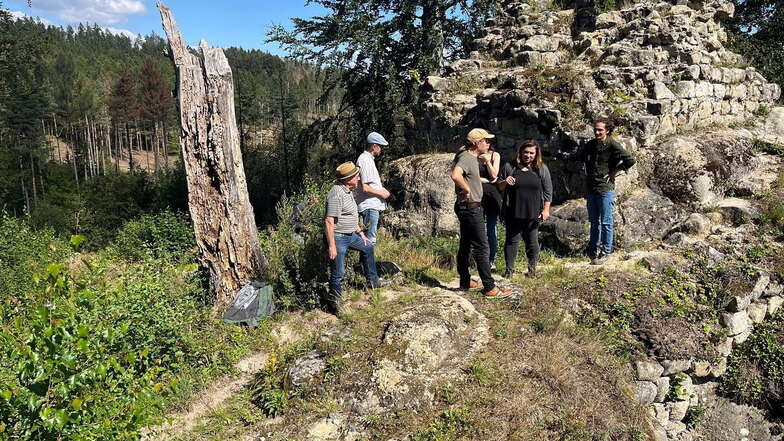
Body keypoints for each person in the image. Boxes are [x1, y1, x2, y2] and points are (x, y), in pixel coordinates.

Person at [451, 128, 512, 299]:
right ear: (477, 143)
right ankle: (490, 287)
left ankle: (465, 280)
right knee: (482, 246)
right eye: (485, 140)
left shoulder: (468, 157)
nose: (488, 143)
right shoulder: (468, 157)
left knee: (465, 244)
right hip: (471, 207)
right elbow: (455, 175)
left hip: (466, 206)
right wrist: (466, 188)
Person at [325, 161, 387, 314]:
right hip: (338, 237)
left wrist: (361, 233)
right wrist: (331, 245)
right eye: (356, 176)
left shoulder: (348, 192)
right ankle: (336, 303)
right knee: (338, 272)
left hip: (351, 235)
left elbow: (351, 217)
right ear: (348, 179)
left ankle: (373, 282)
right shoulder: (336, 193)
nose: (359, 178)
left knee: (368, 247)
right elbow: (329, 221)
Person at [577, 118, 636, 265]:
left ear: (607, 130)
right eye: (595, 129)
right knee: (594, 221)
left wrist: (614, 171)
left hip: (605, 188)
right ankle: (592, 249)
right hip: (591, 188)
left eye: (600, 130)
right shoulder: (591, 145)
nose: (597, 132)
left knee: (606, 221)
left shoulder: (612, 144)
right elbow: (580, 157)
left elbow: (630, 160)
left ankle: (606, 251)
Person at [497, 140, 552, 278]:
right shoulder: (510, 167)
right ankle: (509, 271)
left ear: (536, 154)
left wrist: (546, 210)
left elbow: (548, 191)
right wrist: (505, 181)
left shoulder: (541, 169)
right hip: (513, 211)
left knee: (532, 242)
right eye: (525, 152)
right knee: (511, 241)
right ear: (520, 152)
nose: (528, 155)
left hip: (533, 212)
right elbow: (499, 187)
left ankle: (532, 271)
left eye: (531, 153)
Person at [355, 132, 391, 243]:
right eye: (380, 147)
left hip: (370, 206)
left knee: (367, 240)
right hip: (370, 206)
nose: (381, 149)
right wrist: (382, 193)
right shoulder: (365, 160)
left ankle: (366, 261)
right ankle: (368, 261)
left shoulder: (367, 160)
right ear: (374, 146)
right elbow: (365, 187)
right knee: (370, 240)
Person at [478, 145, 502, 271]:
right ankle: (479, 260)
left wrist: (487, 161)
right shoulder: (472, 155)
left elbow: (494, 175)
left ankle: (491, 260)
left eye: (488, 141)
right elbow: (470, 176)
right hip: (477, 195)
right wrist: (484, 180)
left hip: (492, 195)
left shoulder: (495, 155)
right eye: (484, 141)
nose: (486, 144)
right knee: (478, 229)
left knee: (492, 230)